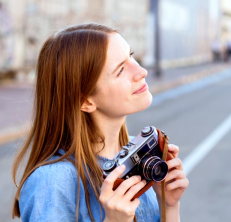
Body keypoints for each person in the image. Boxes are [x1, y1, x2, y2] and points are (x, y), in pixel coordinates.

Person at [11, 24, 189, 222]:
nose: (141, 71)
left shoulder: (140, 156)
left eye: (132, 56)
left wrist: (169, 206)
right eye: (121, 70)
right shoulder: (53, 181)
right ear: (85, 101)